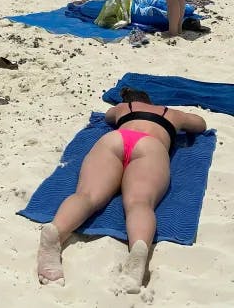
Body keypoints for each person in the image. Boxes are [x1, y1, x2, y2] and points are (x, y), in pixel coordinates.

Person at [36, 87, 207, 292]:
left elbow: (108, 117)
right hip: (150, 146)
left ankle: (56, 232)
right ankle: (138, 251)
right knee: (140, 203)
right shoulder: (171, 113)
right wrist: (178, 120)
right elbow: (200, 125)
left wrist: (122, 108)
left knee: (87, 195)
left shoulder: (123, 108)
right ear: (151, 100)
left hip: (116, 139)